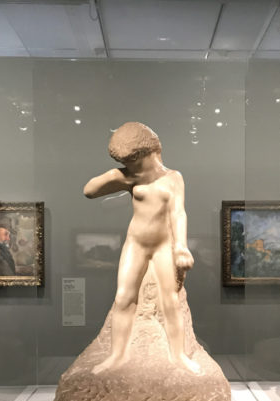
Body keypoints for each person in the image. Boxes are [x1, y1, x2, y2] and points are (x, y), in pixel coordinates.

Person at [83, 121, 199, 375]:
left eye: (132, 162)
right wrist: (117, 175)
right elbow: (89, 191)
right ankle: (117, 355)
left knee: (170, 300)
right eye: (125, 163)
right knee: (123, 297)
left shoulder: (173, 178)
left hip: (163, 245)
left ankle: (178, 355)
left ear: (150, 153)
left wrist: (181, 247)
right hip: (135, 243)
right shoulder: (129, 177)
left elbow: (178, 213)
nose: (129, 167)